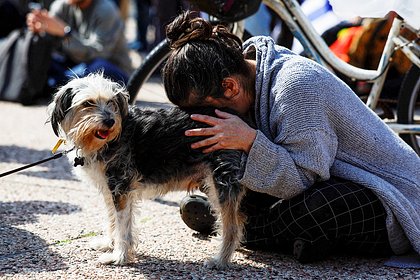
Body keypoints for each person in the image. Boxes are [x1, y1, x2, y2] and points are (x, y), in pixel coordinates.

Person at [162, 11, 420, 263]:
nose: (206, 117)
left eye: (203, 109)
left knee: (318, 207)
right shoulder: (250, 78)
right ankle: (287, 235)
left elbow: (302, 180)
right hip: (324, 176)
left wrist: (249, 141)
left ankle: (236, 227)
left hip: (391, 199)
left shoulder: (295, 87)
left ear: (230, 86)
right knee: (233, 186)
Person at [26, 0, 134, 89]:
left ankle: (59, 83)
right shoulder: (62, 5)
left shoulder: (106, 9)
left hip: (110, 67)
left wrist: (65, 33)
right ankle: (60, 82)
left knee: (97, 68)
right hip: (75, 65)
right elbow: (52, 45)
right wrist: (41, 28)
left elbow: (99, 53)